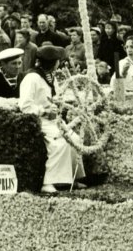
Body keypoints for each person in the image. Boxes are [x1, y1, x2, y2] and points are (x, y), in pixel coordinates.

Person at [19, 45, 85, 194]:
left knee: (75, 138)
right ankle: (48, 182)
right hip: (38, 120)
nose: (59, 64)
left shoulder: (50, 76)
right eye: (57, 61)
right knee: (60, 142)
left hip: (53, 120)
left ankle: (71, 180)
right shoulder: (32, 77)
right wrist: (44, 111)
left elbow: (54, 97)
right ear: (52, 62)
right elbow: (25, 105)